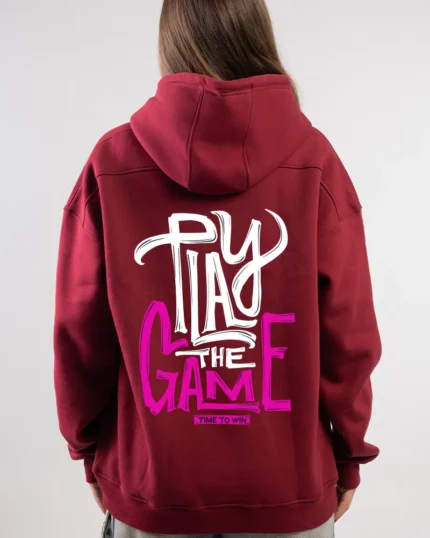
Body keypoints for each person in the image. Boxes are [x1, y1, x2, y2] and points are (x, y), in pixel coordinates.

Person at [53, 1, 381, 537]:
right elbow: (349, 335)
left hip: (153, 491)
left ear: (170, 45)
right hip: (288, 492)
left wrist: (88, 446)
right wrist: (349, 453)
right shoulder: (316, 163)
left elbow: (79, 331)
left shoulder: (111, 163)